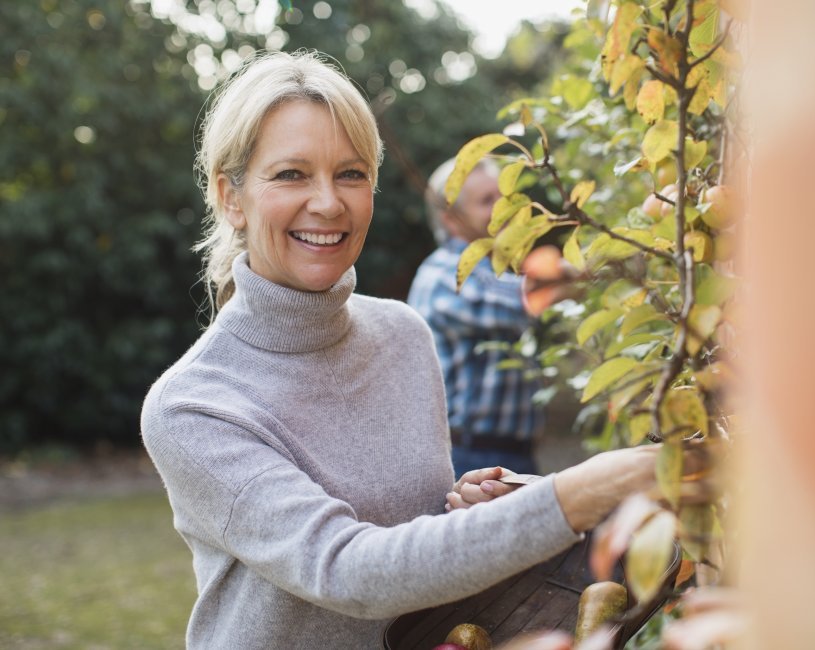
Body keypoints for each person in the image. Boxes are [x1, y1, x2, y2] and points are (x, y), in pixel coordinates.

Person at [140, 50, 669, 650]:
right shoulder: (193, 406)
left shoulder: (403, 335)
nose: (328, 202)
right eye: (291, 174)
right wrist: (576, 494)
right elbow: (346, 568)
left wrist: (466, 508)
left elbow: (413, 549)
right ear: (230, 196)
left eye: (351, 173)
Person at [408, 158, 543, 476]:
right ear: (451, 220)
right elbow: (516, 304)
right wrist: (579, 274)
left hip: (507, 453)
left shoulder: (489, 273)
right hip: (470, 457)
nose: (503, 210)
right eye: (487, 201)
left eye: (503, 198)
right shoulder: (444, 273)